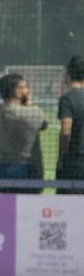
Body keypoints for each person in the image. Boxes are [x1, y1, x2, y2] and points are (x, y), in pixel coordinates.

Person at [0, 72, 47, 193]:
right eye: (25, 87)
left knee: (1, 202)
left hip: (0, 166)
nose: (28, 90)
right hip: (26, 167)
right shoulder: (32, 112)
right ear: (17, 91)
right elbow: (44, 124)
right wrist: (30, 105)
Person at [56, 55, 84, 194]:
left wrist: (61, 158)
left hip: (75, 162)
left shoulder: (67, 99)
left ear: (69, 73)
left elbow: (66, 132)